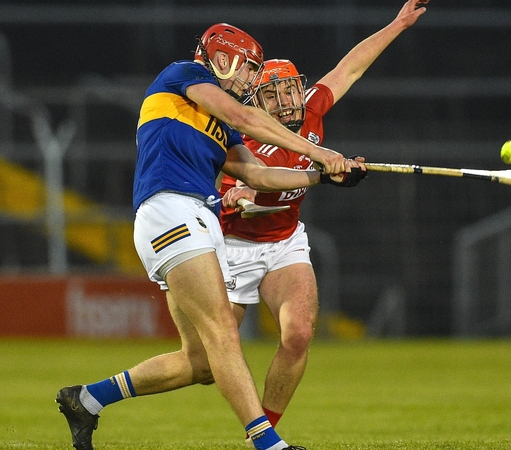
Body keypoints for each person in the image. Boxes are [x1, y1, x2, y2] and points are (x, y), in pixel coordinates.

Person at [55, 23, 365, 450]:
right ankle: (267, 443)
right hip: (171, 211)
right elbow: (244, 115)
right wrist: (320, 153)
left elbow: (255, 172)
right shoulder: (182, 76)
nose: (250, 80)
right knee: (223, 330)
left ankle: (87, 399)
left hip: (198, 216)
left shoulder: (221, 125)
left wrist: (321, 177)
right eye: (248, 69)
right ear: (224, 58)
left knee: (200, 362)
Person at [218, 0, 429, 439]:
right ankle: (96, 395)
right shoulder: (246, 141)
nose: (288, 101)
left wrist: (398, 23)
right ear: (256, 102)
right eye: (274, 95)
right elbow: (253, 188)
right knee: (201, 364)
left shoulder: (311, 110)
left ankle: (264, 435)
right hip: (234, 249)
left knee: (297, 335)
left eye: (291, 89)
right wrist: (245, 192)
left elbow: (350, 67)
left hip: (285, 242)